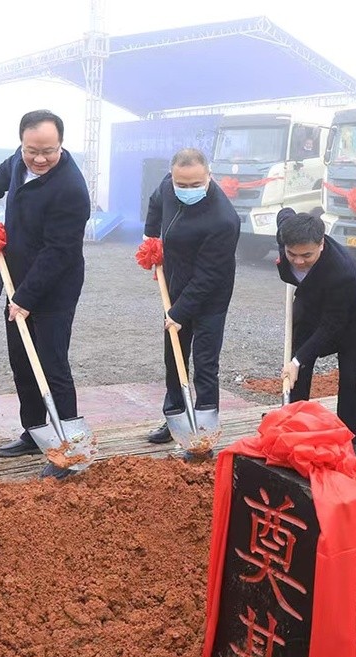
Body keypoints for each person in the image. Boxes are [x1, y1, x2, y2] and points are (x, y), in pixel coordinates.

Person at [0, 110, 91, 479]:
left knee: (52, 365)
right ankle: (33, 430)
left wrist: (25, 299)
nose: (39, 159)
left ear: (61, 146)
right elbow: (2, 172)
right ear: (23, 143)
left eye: (49, 152)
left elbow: (59, 252)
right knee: (22, 362)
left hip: (53, 287)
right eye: (32, 151)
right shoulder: (18, 158)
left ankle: (68, 448)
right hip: (15, 280)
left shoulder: (71, 189)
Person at [142, 148, 240, 456]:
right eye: (181, 185)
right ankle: (174, 421)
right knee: (174, 358)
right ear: (172, 177)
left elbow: (208, 276)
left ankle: (204, 435)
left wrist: (179, 312)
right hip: (174, 286)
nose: (186, 190)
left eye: (195, 184)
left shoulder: (224, 219)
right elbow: (155, 204)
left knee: (205, 365)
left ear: (209, 176)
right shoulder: (167, 187)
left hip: (210, 297)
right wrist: (151, 240)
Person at [276, 209, 356, 462]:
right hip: (309, 307)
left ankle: (351, 437)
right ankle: (295, 426)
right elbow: (284, 213)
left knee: (351, 377)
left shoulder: (343, 271)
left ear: (321, 244)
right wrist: (298, 362)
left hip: (350, 317)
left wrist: (297, 359)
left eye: (306, 255)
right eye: (292, 255)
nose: (298, 261)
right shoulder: (286, 234)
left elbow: (332, 324)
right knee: (299, 372)